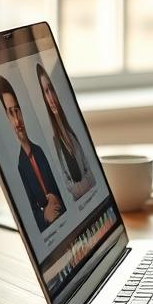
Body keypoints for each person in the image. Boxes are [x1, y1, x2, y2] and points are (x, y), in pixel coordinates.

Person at [0, 75, 66, 231]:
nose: (17, 121)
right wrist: (44, 216)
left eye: (17, 111)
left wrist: (57, 198)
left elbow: (61, 185)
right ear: (6, 118)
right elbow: (29, 214)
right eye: (10, 114)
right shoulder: (19, 166)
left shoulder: (40, 151)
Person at [36, 63, 97, 202]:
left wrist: (85, 187)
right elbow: (63, 177)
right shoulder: (53, 141)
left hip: (92, 194)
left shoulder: (72, 129)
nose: (51, 97)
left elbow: (89, 166)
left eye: (51, 89)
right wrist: (78, 190)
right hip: (79, 201)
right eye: (46, 91)